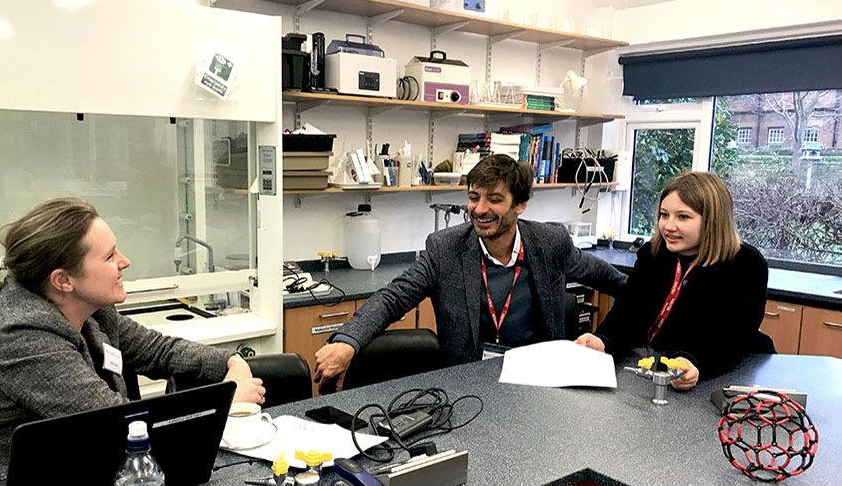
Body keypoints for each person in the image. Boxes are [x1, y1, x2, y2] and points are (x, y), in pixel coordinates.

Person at [0, 198, 265, 478]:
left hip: (52, 474)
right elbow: (114, 428)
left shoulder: (90, 309)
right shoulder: (23, 336)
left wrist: (229, 361)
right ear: (63, 280)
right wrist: (226, 404)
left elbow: (158, 350)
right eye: (109, 256)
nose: (124, 262)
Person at [314, 154, 628, 391]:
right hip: (467, 388)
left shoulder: (551, 244)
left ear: (520, 205)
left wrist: (607, 338)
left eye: (494, 199)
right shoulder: (446, 248)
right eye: (474, 197)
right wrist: (347, 342)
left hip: (539, 386)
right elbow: (393, 297)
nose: (479, 209)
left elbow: (621, 286)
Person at [575, 171, 772, 390]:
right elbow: (628, 312)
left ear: (713, 220)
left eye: (683, 217)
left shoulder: (746, 265)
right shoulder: (653, 254)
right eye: (664, 215)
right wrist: (603, 340)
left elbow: (731, 339)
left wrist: (692, 361)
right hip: (658, 367)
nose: (668, 226)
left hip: (725, 374)